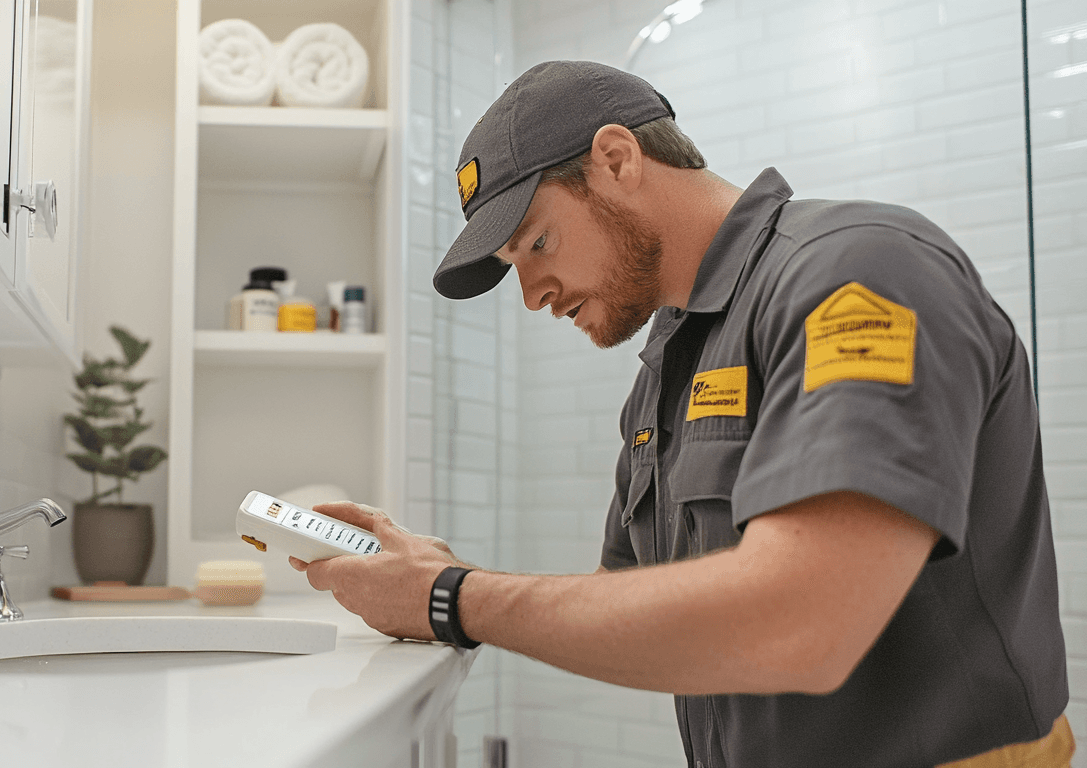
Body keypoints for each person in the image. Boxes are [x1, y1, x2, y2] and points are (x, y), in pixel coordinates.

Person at [293, 61, 1073, 767]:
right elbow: (624, 599)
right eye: (512, 270)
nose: (531, 294)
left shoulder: (857, 272)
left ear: (618, 159)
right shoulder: (669, 364)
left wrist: (452, 597)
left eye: (536, 243)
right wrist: (435, 571)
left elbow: (806, 623)